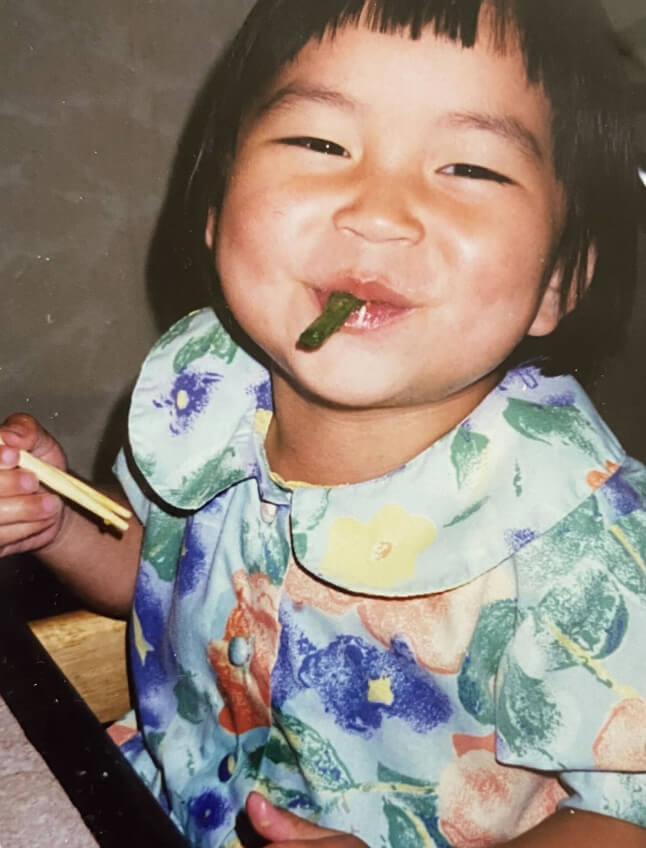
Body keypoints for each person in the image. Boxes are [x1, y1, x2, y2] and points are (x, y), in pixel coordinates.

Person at [1, 1, 645, 845]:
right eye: (321, 144)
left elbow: (624, 815)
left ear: (561, 281)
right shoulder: (209, 390)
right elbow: (154, 571)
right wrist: (56, 525)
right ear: (214, 206)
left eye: (470, 168)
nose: (377, 212)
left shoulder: (580, 531)